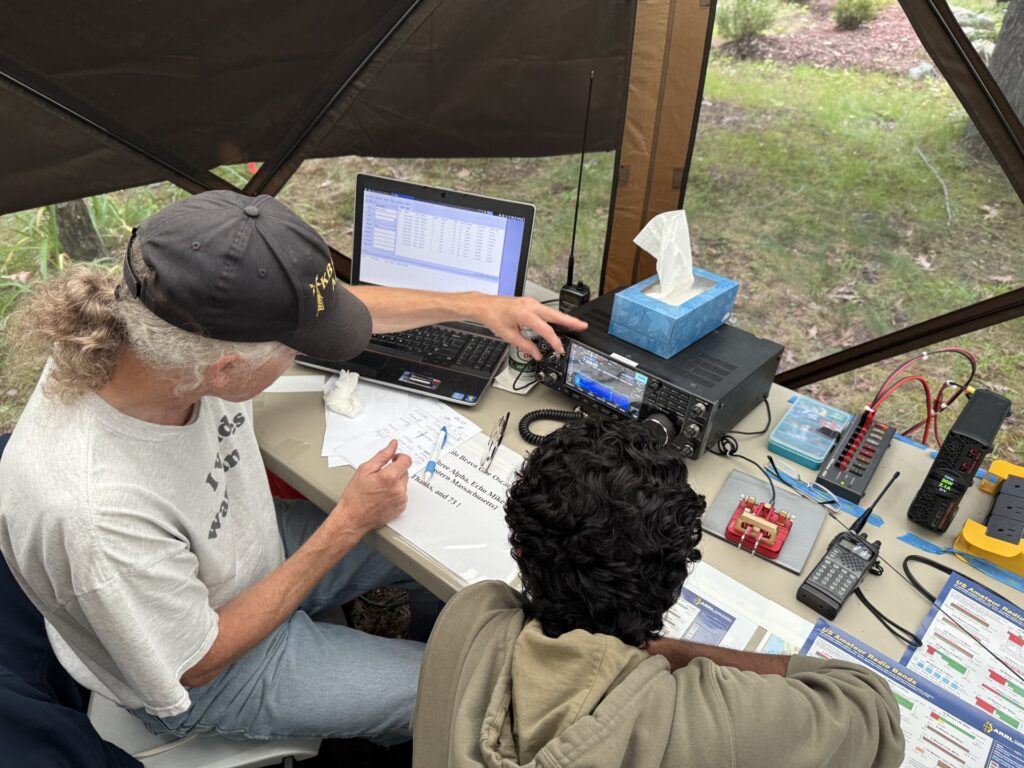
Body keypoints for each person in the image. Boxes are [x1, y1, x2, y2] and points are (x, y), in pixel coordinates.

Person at [0, 190, 586, 746]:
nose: (302, 357)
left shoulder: (142, 334)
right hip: (207, 669)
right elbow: (197, 661)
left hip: (239, 550)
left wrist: (474, 306)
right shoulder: (92, 508)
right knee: (475, 696)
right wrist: (346, 525)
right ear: (225, 372)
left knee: (465, 557)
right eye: (294, 351)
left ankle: (437, 640)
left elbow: (314, 311)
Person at [412, 417, 905, 767]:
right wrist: (665, 653)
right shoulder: (706, 722)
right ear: (675, 585)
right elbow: (874, 710)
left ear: (521, 556)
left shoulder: (470, 616)